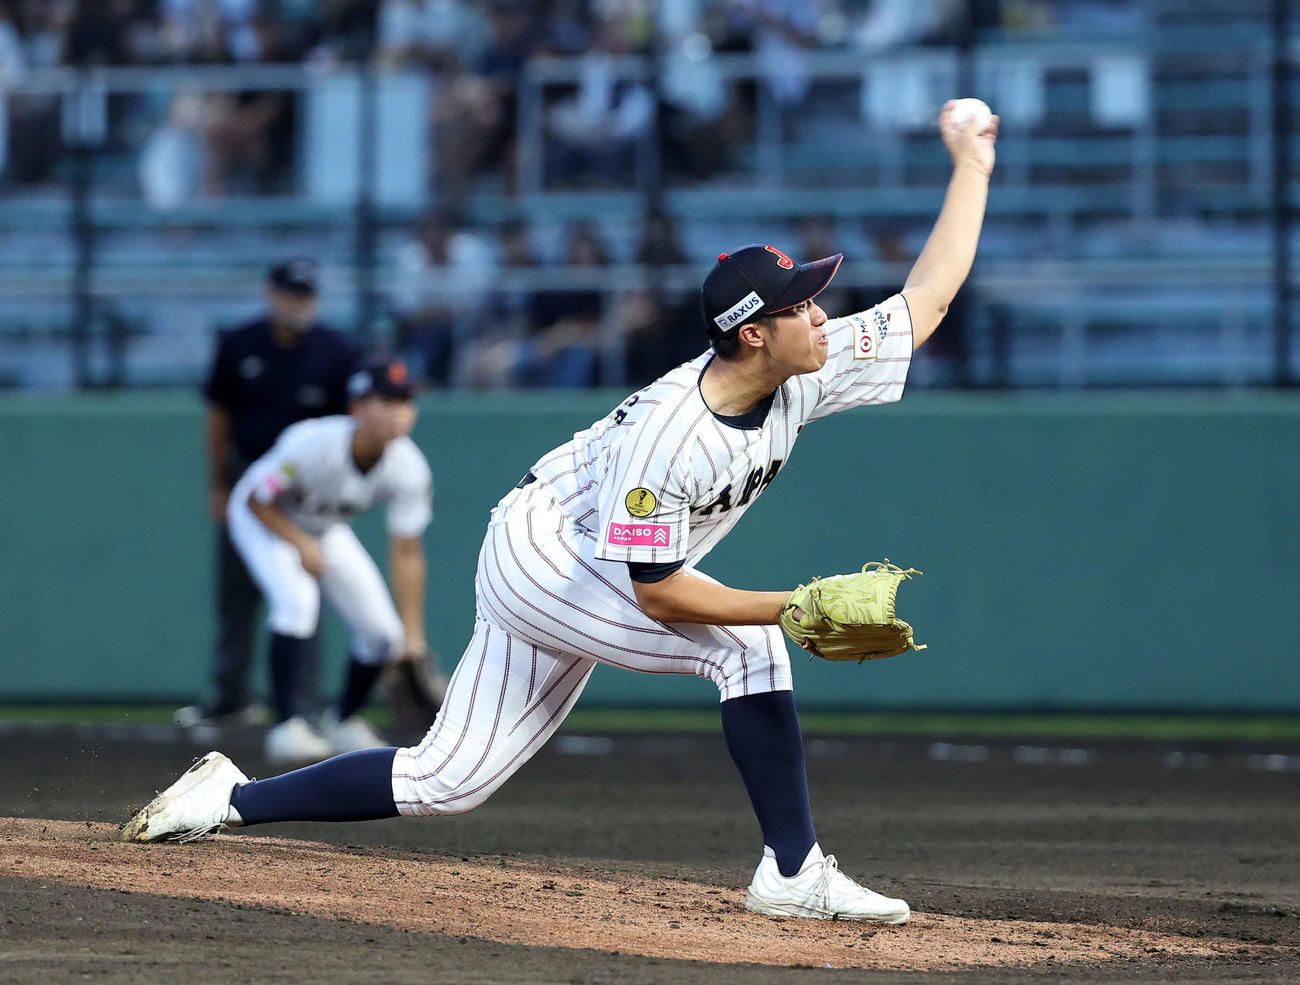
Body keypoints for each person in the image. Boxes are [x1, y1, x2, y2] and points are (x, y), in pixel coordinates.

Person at [122, 103, 998, 924]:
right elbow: (657, 592)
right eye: (800, 304)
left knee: (446, 779)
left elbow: (926, 303)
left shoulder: (806, 366)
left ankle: (227, 797)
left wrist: (972, 164)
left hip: (587, 560)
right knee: (752, 646)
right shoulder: (673, 436)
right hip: (545, 553)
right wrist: (792, 606)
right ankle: (793, 872)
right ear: (753, 333)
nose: (821, 313)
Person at [225, 360, 437, 766]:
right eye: (387, 400)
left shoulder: (409, 467)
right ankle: (287, 728)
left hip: (323, 527)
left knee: (385, 636)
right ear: (357, 407)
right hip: (265, 518)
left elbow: (407, 552)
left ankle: (343, 720)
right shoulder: (312, 443)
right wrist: (300, 542)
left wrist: (414, 637)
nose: (399, 412)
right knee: (297, 602)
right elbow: (257, 500)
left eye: (406, 401)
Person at [179, 258, 357, 732]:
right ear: (271, 294)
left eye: (307, 295)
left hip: (304, 491)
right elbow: (218, 418)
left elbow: (345, 432)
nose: (300, 304)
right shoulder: (240, 344)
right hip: (248, 482)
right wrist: (218, 483)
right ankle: (229, 696)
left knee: (302, 592)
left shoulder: (335, 351)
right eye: (292, 294)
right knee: (236, 594)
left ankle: (302, 703)